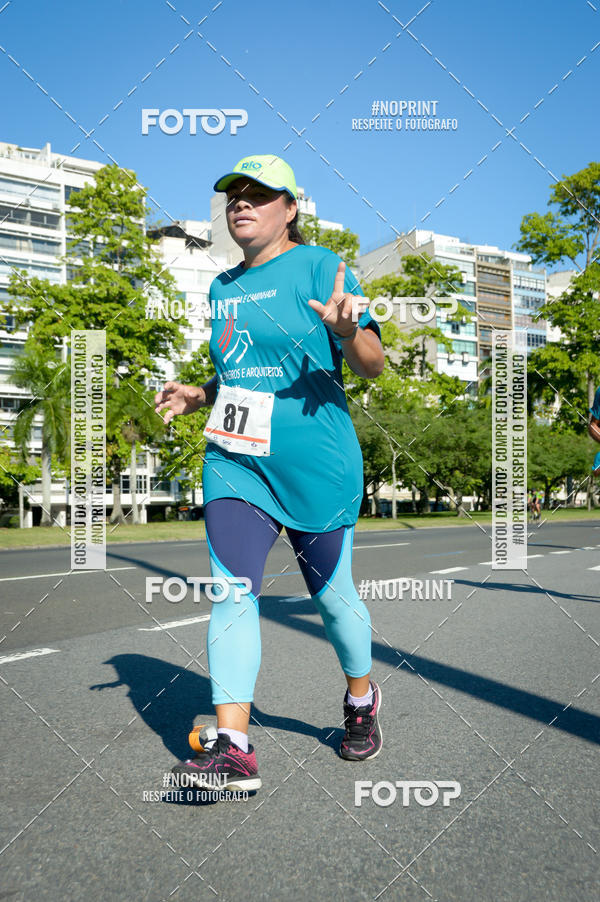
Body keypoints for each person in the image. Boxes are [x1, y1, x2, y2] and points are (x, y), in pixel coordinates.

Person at [154, 154, 385, 792]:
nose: (242, 204)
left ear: (290, 209)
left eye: (259, 195)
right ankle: (234, 748)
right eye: (234, 195)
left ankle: (361, 699)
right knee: (231, 592)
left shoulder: (320, 265)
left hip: (318, 464)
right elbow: (243, 371)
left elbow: (372, 364)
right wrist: (200, 394)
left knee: (333, 600)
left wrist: (346, 333)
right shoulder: (221, 286)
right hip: (236, 460)